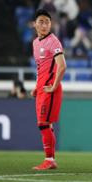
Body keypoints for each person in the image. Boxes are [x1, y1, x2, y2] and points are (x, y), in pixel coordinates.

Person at [31, 10, 67, 170]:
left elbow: (62, 66)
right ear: (34, 24)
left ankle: (50, 159)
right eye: (41, 21)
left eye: (47, 22)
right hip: (41, 88)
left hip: (50, 89)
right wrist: (36, 86)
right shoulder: (35, 43)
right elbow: (41, 68)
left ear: (51, 24)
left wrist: (54, 86)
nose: (44, 25)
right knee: (46, 125)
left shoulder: (54, 42)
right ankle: (50, 160)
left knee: (43, 124)